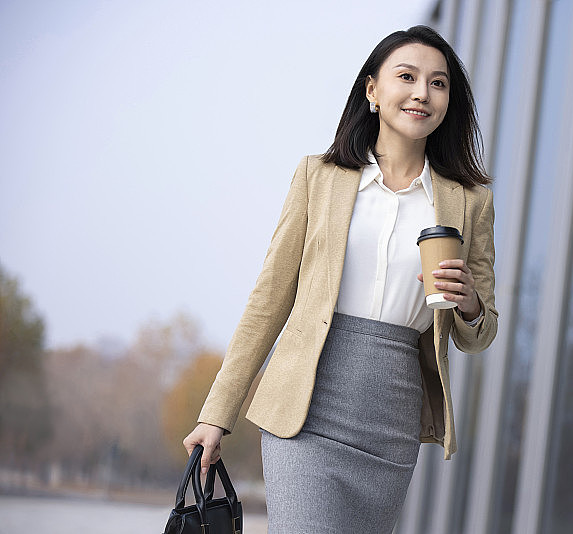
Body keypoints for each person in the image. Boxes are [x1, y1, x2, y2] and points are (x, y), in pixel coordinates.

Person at [183, 24, 498, 533]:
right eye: (407, 76)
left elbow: (481, 333)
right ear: (373, 90)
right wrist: (217, 413)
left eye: (438, 83)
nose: (422, 92)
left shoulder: (469, 200)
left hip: (392, 418)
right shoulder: (318, 177)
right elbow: (269, 300)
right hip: (306, 409)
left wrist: (468, 305)